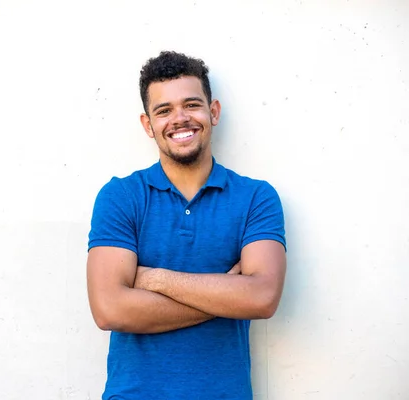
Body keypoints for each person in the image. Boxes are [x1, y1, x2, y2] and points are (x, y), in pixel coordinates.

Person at [86, 51, 287, 400]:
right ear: (148, 125)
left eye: (191, 105)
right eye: (164, 110)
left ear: (214, 112)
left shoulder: (255, 197)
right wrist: (226, 292)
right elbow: (109, 309)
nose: (179, 119)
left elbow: (262, 297)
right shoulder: (121, 196)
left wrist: (155, 279)